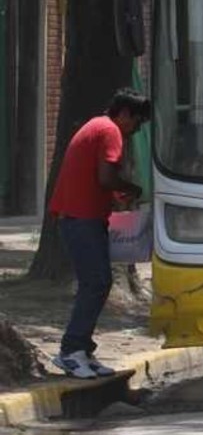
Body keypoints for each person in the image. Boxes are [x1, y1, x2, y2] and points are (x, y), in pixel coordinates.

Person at [47, 88, 151, 379]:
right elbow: (106, 177)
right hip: (81, 219)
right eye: (138, 122)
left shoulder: (96, 125)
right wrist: (133, 188)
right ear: (126, 113)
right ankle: (70, 352)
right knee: (95, 282)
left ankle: (83, 349)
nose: (136, 130)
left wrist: (117, 195)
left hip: (81, 216)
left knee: (98, 282)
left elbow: (97, 177)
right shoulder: (110, 131)